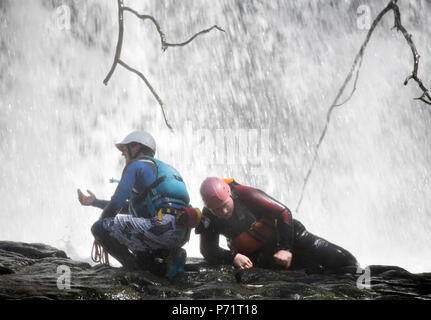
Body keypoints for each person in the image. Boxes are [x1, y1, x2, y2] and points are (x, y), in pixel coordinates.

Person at [77, 130, 201, 278]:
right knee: (140, 246)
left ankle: (134, 271)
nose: (123, 154)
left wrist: (101, 231)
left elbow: (116, 203)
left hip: (161, 229)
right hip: (181, 232)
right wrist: (94, 202)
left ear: (136, 147)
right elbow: (129, 208)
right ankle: (168, 259)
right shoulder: (165, 170)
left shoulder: (135, 166)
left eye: (124, 149)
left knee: (100, 227)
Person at [196, 177, 359, 274]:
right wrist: (233, 257)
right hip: (261, 255)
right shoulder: (208, 216)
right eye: (216, 209)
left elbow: (283, 211)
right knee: (313, 273)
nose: (223, 211)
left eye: (225, 205)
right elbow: (207, 249)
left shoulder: (245, 193)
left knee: (345, 260)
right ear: (209, 207)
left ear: (229, 194)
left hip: (291, 238)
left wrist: (285, 248)